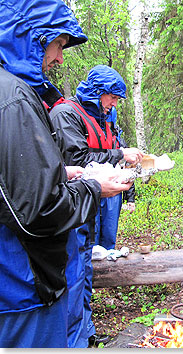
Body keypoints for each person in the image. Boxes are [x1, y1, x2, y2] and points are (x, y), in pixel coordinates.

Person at [0, 0, 132, 348]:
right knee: (75, 278)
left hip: (57, 237)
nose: (60, 58)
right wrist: (91, 183)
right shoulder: (23, 101)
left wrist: (61, 173)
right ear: (30, 37)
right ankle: (77, 334)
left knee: (86, 268)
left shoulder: (23, 96)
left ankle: (81, 332)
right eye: (58, 44)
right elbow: (37, 209)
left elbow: (17, 179)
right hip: (23, 282)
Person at [49, 64, 144, 347]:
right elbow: (77, 159)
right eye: (112, 97)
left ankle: (85, 332)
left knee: (87, 265)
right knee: (73, 271)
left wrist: (128, 175)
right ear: (97, 92)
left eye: (117, 98)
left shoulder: (104, 116)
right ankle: (70, 339)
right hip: (72, 204)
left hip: (95, 200)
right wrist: (118, 153)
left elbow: (108, 148)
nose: (114, 103)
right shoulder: (67, 113)